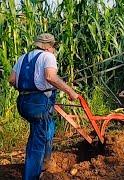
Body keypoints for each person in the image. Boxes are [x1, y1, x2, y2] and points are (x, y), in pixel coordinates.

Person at [8, 33, 79, 180]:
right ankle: (32, 176)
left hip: (23, 101)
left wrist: (27, 89)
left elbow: (12, 80)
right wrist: (70, 91)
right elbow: (50, 77)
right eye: (53, 47)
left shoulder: (22, 58)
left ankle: (46, 162)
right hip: (38, 103)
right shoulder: (48, 57)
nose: (54, 49)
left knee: (49, 125)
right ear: (48, 46)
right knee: (37, 139)